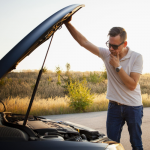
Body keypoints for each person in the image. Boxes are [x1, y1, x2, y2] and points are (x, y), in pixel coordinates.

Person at [64, 16, 143, 150]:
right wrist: (67, 23)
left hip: (133, 107)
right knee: (110, 146)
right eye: (109, 44)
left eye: (115, 46)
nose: (111, 49)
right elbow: (84, 42)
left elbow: (132, 85)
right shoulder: (106, 54)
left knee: (136, 144)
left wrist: (117, 67)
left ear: (124, 44)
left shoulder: (137, 57)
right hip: (114, 107)